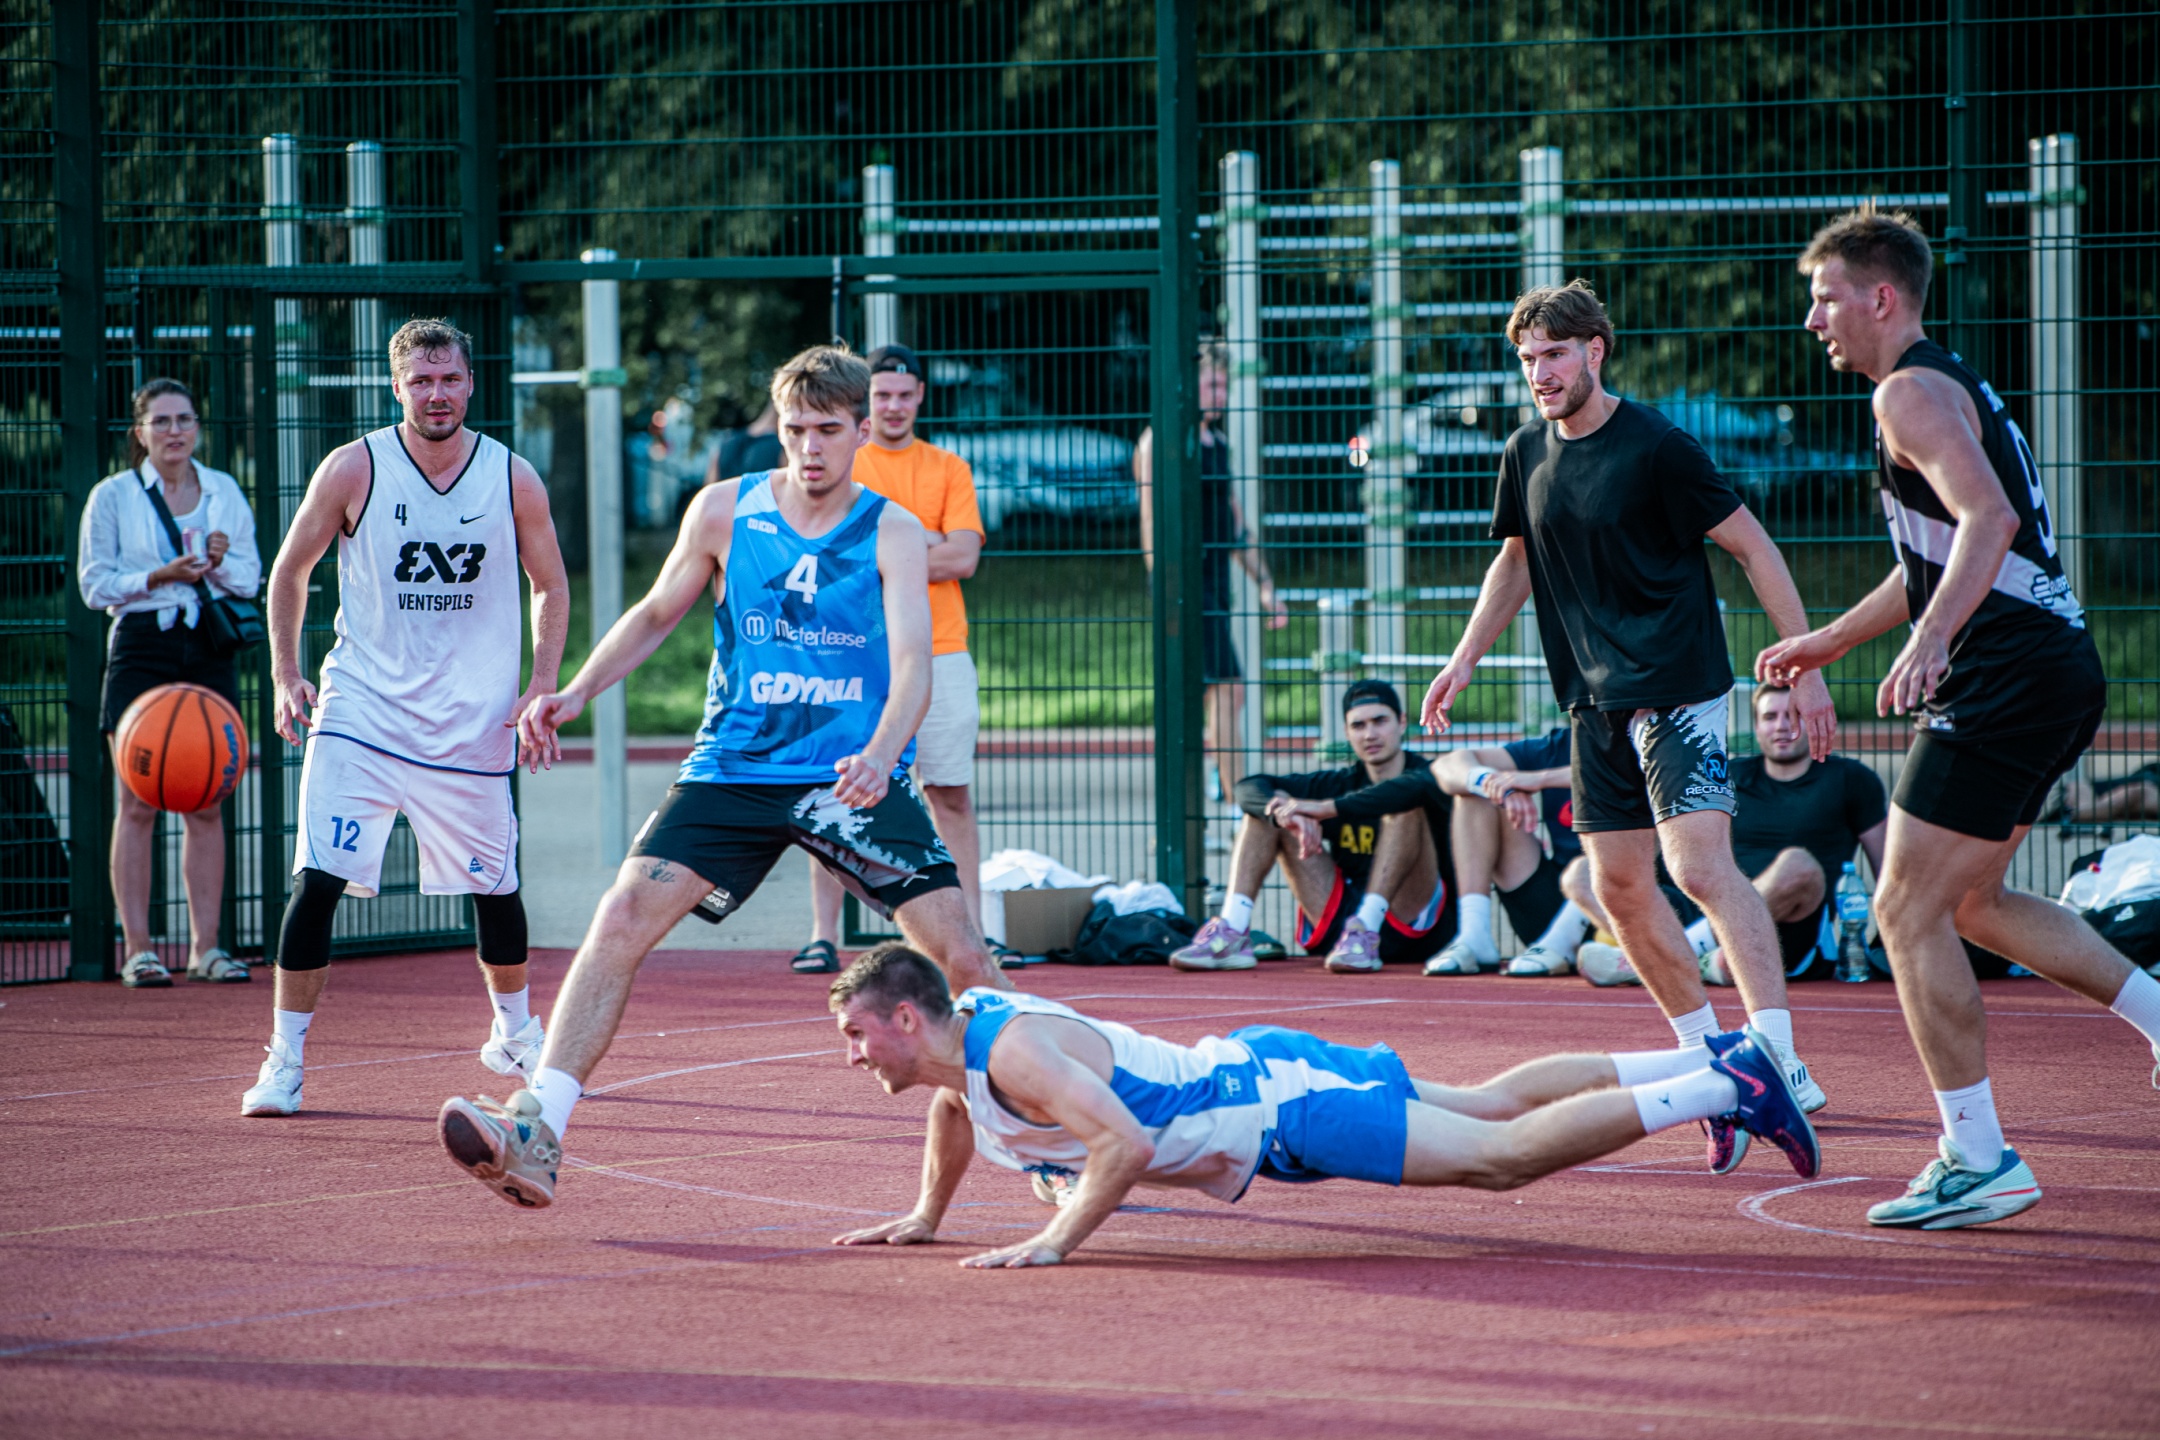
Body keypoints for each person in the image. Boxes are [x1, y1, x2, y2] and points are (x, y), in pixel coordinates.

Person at [435, 344, 1008, 1210]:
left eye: (827, 430)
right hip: (732, 768)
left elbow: (913, 666)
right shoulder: (724, 511)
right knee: (621, 915)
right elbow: (655, 612)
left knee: (964, 955)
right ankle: (538, 1130)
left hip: (845, 775)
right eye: (795, 429)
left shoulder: (890, 528)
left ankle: (1051, 1121)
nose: (809, 447)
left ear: (860, 432)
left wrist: (883, 751)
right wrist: (576, 690)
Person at [1758, 209, 2160, 1228]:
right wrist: (1830, 642)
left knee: (1904, 910)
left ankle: (1978, 1157)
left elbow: (1990, 521)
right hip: (2049, 668)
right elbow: (1934, 560)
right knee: (1972, 902)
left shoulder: (1906, 393)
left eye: (1825, 297)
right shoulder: (1939, 386)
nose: (1813, 319)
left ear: (1880, 296)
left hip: (2007, 674)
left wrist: (1935, 638)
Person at [1419, 280, 1834, 1128]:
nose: (1540, 372)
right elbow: (1516, 560)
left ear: (1595, 351)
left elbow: (1754, 547)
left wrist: (1804, 665)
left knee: (1699, 869)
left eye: (1555, 354)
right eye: (1528, 359)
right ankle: (1707, 1059)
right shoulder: (1524, 451)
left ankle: (1779, 1058)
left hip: (1678, 687)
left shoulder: (1659, 447)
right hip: (1592, 700)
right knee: (1615, 885)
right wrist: (1463, 660)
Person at [823, 944, 1818, 1269]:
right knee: (1491, 1104)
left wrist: (1053, 1242)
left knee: (1500, 1155)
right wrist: (927, 1215)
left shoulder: (1014, 1050)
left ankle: (1723, 1085)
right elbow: (956, 1112)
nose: (852, 1054)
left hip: (1278, 1105)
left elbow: (1120, 1146)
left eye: (857, 1034)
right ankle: (1716, 1057)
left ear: (907, 1018)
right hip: (1266, 1079)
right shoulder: (964, 1050)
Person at [245, 319, 570, 1117]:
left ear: (470, 383)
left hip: (471, 723)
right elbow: (290, 570)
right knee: (318, 881)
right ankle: (284, 1061)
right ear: (396, 388)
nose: (437, 394)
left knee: (496, 887)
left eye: (449, 379)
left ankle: (513, 1033)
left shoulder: (511, 476)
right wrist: (286, 674)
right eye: (421, 381)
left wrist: (541, 685)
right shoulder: (354, 467)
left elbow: (551, 584)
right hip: (363, 713)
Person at [797, 343, 986, 974]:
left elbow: (964, 558)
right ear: (864, 403)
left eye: (905, 395)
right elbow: (825, 552)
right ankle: (822, 935)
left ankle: (973, 935)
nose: (895, 406)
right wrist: (920, 542)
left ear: (920, 396)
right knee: (830, 791)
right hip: (850, 655)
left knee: (949, 793)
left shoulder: (948, 468)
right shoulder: (841, 459)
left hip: (942, 650)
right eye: (882, 396)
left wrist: (884, 551)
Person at [78, 377, 262, 988]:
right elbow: (93, 584)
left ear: (197, 428)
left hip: (205, 644)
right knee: (135, 801)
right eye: (161, 421)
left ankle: (206, 949)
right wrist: (158, 576)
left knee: (208, 799)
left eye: (184, 419)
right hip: (141, 644)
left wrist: (218, 562)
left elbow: (251, 577)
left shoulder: (224, 490)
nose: (174, 431)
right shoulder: (113, 495)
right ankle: (138, 950)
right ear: (141, 432)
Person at [1573, 683, 1888, 987]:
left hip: (1789, 927)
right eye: (1770, 717)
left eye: (1793, 716)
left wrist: (1882, 947)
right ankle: (1686, 958)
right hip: (1705, 910)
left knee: (1798, 864)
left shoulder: (1851, 779)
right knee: (1585, 872)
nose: (1782, 726)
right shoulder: (1729, 774)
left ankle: (1654, 963)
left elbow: (1887, 869)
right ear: (1757, 727)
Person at [1169, 680, 1454, 974]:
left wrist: (1329, 808)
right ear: (1346, 732)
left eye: (1380, 721)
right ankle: (1232, 929)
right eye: (1358, 725)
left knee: (1405, 801)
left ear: (1402, 722)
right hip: (1341, 928)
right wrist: (1285, 813)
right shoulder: (1340, 783)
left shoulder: (1428, 776)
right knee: (1272, 806)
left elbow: (1417, 787)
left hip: (1410, 924)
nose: (1370, 734)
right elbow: (1248, 787)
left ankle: (1367, 925)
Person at [1134, 342, 1288, 801]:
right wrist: (1166, 586)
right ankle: (1236, 801)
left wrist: (1266, 585)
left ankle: (1214, 788)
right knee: (1224, 690)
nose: (1220, 394)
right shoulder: (1159, 440)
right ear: (1189, 385)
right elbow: (1150, 521)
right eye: (1212, 384)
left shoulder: (1217, 443)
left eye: (1224, 385)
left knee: (1217, 693)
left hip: (1217, 581)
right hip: (1183, 583)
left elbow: (1236, 525)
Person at [1421, 728, 1595, 977]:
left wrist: (1540, 779)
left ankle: (1564, 940)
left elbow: (1629, 773)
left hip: (1612, 916)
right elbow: (1448, 764)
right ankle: (1474, 937)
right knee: (1476, 790)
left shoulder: (1646, 737)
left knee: (1611, 845)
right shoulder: (1560, 744)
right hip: (1548, 908)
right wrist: (1493, 784)